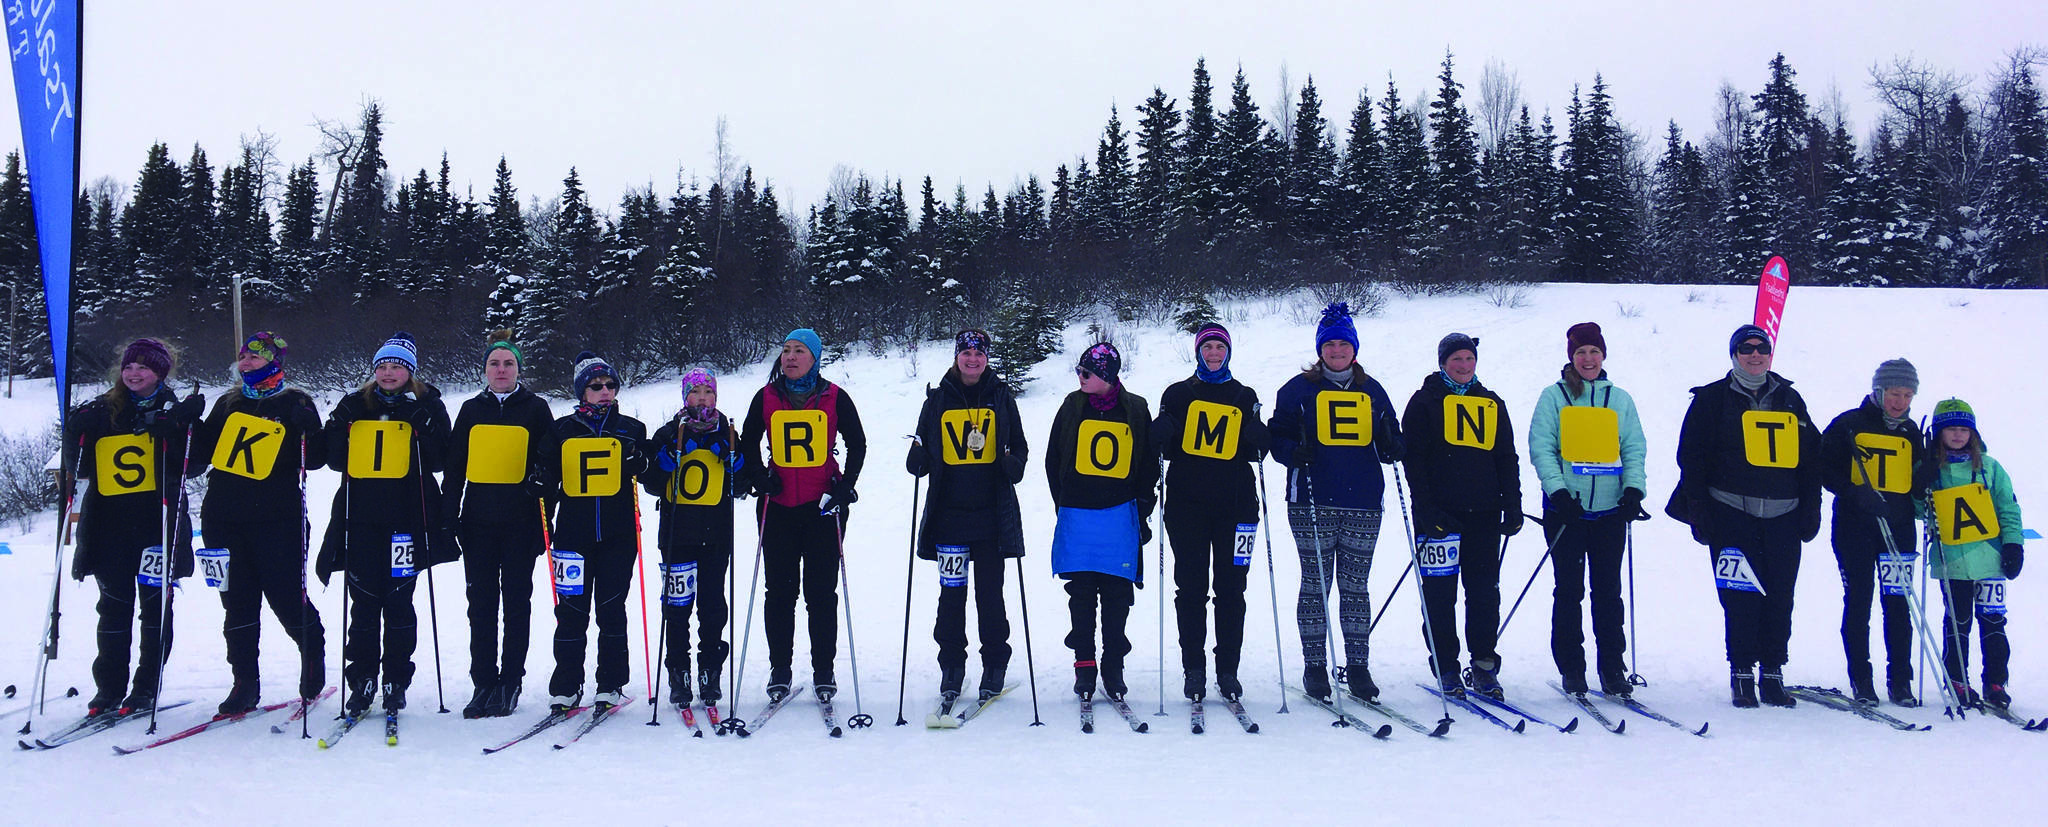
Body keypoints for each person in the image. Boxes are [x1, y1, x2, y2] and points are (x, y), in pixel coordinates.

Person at [1670, 323, 1820, 708]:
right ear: (1734, 355)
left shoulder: (1790, 398)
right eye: (1746, 349)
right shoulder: (1712, 399)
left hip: (1783, 514)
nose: (1755, 355)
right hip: (1730, 511)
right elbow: (1691, 458)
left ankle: (1772, 670)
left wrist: (1811, 507)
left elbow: (1811, 458)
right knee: (1739, 595)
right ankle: (1741, 672)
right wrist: (1700, 509)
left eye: (1761, 349)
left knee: (1780, 595)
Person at [1268, 302, 1403, 704]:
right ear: (1320, 349)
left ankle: (1358, 666)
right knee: (1316, 583)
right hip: (1312, 498)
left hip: (1362, 500)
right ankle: (1314, 666)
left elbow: (1391, 438)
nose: (1337, 351)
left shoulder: (1372, 389)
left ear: (1355, 349)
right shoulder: (1297, 389)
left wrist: (1394, 444)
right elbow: (1276, 439)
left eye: (1344, 344)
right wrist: (1295, 451)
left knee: (1355, 586)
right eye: (1330, 345)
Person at [188, 332, 328, 716]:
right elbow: (199, 458)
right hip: (223, 516)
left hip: (277, 518)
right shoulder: (229, 403)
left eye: (256, 356)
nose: (247, 362)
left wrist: (309, 429)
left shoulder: (296, 401)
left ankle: (312, 658)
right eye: (244, 357)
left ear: (275, 361)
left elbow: (314, 460)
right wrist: (190, 424)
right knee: (237, 605)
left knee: (286, 598)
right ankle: (244, 683)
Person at [316, 332, 455, 717]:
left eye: (396, 367)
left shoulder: (429, 403)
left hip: (406, 520)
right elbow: (333, 460)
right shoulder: (355, 403)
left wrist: (423, 423)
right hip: (360, 519)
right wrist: (335, 429)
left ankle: (396, 678)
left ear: (410, 372)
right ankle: (360, 678)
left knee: (398, 603)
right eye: (382, 366)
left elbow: (442, 458)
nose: (388, 373)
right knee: (362, 604)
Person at [67, 338, 205, 715]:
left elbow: (192, 465)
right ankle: (108, 689)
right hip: (109, 525)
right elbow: (77, 465)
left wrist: (180, 426)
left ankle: (145, 687)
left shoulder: (173, 409)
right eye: (129, 367)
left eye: (143, 367)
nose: (133, 373)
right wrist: (73, 432)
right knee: (113, 608)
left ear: (160, 373)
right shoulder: (103, 410)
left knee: (155, 609)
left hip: (156, 524)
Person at [739, 329, 868, 702]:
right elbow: (747, 441)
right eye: (785, 351)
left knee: (820, 593)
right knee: (779, 592)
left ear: (815, 357)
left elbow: (857, 442)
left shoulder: (833, 397)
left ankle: (823, 670)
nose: (790, 357)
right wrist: (760, 477)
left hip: (822, 507)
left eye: (799, 351)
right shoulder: (765, 397)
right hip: (777, 508)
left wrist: (845, 487)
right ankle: (780, 668)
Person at [907, 330, 1028, 708]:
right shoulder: (939, 397)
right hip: (950, 518)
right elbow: (923, 444)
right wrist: (917, 460)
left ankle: (994, 665)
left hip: (992, 518)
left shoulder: (1001, 396)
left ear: (987, 358)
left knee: (990, 596)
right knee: (952, 597)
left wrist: (1015, 465)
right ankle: (952, 668)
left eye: (979, 353)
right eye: (966, 353)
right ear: (956, 356)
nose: (972, 359)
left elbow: (1021, 447)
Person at [1527, 322, 1648, 698]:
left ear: (1603, 355)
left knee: (1608, 592)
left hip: (1610, 510)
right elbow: (1542, 447)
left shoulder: (1619, 398)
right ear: (1571, 357)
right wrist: (1558, 492)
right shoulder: (1555, 396)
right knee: (1569, 590)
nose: (1588, 358)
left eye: (1594, 351)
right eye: (1581, 352)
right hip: (1568, 511)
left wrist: (1633, 489)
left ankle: (1612, 667)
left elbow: (1633, 447)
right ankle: (1572, 669)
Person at [1399, 332, 1521, 700]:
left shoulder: (1491, 402)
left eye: (1469, 359)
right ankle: (1447, 666)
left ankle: (1483, 664)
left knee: (1484, 593)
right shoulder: (1424, 402)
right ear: (1443, 362)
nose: (1464, 366)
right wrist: (1428, 509)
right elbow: (1414, 461)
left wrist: (1512, 504)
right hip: (1439, 516)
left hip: (1484, 513)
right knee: (1439, 594)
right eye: (1457, 360)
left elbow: (1505, 457)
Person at [443, 330, 556, 718]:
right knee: (481, 605)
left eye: (508, 363)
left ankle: (510, 680)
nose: (502, 369)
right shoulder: (471, 411)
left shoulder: (537, 408)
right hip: (478, 524)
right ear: (485, 370)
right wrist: (448, 517)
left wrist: (547, 524)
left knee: (517, 604)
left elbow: (550, 470)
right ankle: (483, 682)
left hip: (521, 525)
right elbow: (456, 468)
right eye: (495, 363)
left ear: (519, 368)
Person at [1154, 323, 1269, 703]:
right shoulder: (1178, 393)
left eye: (1220, 347)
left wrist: (1260, 438)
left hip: (1236, 507)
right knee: (1190, 588)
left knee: (1232, 589)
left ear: (1228, 352)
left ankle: (1228, 669)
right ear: (1198, 352)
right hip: (1187, 505)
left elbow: (1256, 453)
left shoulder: (1243, 394)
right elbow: (1167, 450)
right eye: (1208, 348)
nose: (1214, 354)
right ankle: (1194, 668)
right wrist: (1161, 432)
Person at [1047, 342, 1157, 702]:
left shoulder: (1136, 408)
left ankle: (1114, 666)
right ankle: (1084, 665)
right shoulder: (1072, 405)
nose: (1080, 378)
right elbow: (1054, 457)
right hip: (1078, 514)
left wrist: (1143, 506)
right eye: (1079, 371)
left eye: (1087, 373)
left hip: (1118, 515)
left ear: (1107, 375)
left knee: (1117, 595)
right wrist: (1062, 502)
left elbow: (1146, 462)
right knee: (1080, 594)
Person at [543, 352, 649, 713]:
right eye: (595, 386)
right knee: (571, 612)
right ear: (581, 391)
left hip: (618, 536)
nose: (604, 391)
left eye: (609, 385)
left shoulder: (631, 428)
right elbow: (546, 477)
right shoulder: (561, 429)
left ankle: (611, 682)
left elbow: (649, 476)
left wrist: (642, 463)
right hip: (572, 538)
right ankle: (566, 685)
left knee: (611, 609)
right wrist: (538, 483)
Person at [1818, 359, 1926, 706]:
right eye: (1895, 393)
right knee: (1860, 600)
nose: (1901, 402)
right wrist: (1854, 490)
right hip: (1854, 528)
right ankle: (1862, 679)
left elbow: (1918, 478)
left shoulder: (1911, 432)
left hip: (1898, 529)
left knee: (1897, 604)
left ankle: (1900, 680)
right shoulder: (1849, 423)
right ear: (1880, 391)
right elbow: (1821, 468)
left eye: (1908, 395)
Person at [644, 367, 740, 712]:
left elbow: (741, 485)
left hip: (715, 536)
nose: (702, 399)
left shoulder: (727, 431)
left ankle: (710, 670)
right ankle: (678, 670)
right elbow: (651, 482)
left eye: (708, 392)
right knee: (676, 607)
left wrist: (734, 463)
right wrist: (664, 463)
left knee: (713, 607)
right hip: (677, 535)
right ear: (684, 397)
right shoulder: (670, 432)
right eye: (695, 393)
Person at [1921, 398, 2025, 710]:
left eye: (1963, 429)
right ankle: (1956, 679)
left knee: (1993, 622)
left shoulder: (1990, 468)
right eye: (1950, 428)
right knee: (1958, 622)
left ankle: (1996, 681)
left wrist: (2013, 544)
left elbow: (2008, 508)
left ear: (1973, 433)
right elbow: (1919, 510)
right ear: (1940, 432)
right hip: (1952, 561)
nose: (1957, 435)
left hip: (1990, 559)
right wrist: (1918, 485)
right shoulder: (1932, 470)